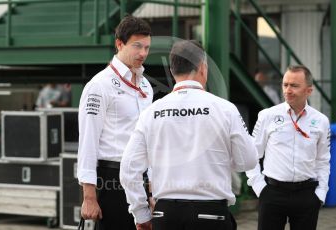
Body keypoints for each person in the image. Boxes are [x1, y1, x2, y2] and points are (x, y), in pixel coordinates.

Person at [120, 40, 258, 230]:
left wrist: (141, 213)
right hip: (211, 215)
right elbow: (248, 160)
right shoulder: (225, 109)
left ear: (172, 70)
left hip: (166, 215)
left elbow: (128, 169)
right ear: (203, 67)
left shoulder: (151, 113)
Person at [77, 15, 153, 230]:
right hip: (112, 179)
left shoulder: (146, 86)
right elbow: (88, 142)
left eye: (147, 47)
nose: (143, 53)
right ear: (119, 44)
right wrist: (89, 196)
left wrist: (153, 188)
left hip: (142, 177)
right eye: (137, 46)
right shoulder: (99, 85)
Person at [246, 65, 331, 230]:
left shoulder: (321, 121)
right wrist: (260, 188)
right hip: (272, 193)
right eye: (285, 85)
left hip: (307, 195)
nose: (288, 90)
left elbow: (323, 160)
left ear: (309, 90)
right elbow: (252, 155)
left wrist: (320, 194)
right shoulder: (267, 116)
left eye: (294, 85)